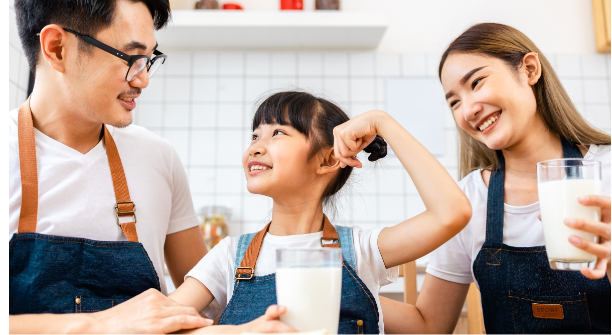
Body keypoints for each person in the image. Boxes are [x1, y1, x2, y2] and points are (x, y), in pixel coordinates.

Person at [166, 91, 472, 333]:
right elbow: (158, 325)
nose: (255, 147)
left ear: (326, 161)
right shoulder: (229, 256)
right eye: (255, 135)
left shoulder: (362, 251)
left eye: (278, 134)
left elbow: (452, 212)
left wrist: (383, 122)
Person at [381, 23, 611, 334]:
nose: (468, 110)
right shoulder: (467, 201)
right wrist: (342, 284)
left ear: (529, 70)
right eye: (454, 102)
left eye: (476, 82)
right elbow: (429, 326)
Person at [9, 0, 211, 333]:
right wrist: (105, 323)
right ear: (56, 48)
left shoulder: (159, 157)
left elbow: (208, 301)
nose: (143, 80)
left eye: (148, 60)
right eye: (130, 58)